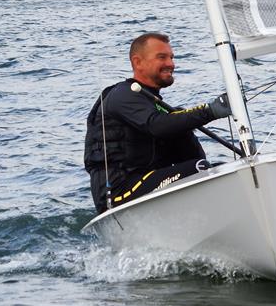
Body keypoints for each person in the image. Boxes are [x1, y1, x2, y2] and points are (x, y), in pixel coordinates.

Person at [84, 32, 232, 214]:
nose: (171, 63)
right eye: (162, 57)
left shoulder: (155, 105)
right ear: (138, 62)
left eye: (171, 57)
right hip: (117, 193)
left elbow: (189, 150)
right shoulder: (122, 95)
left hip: (148, 183)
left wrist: (182, 127)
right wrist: (210, 111)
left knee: (221, 171)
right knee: (199, 169)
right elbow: (157, 125)